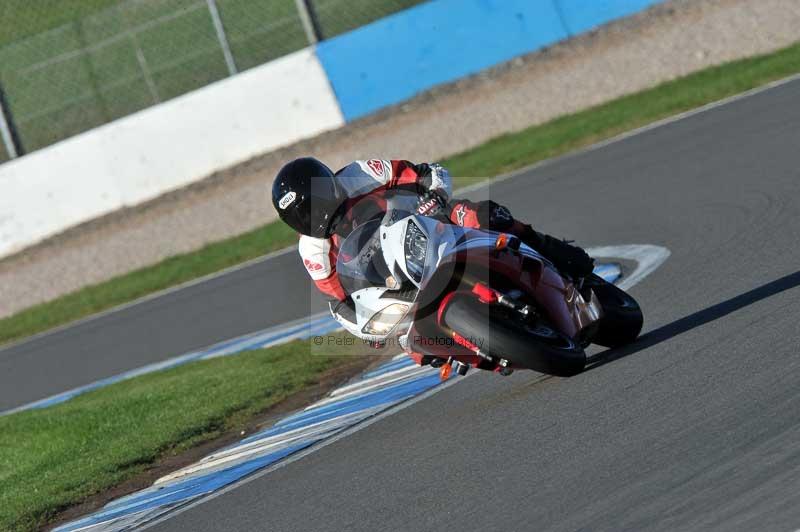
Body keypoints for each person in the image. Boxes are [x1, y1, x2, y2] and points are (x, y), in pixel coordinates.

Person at [272, 157, 593, 330]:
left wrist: (434, 195)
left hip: (430, 225)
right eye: (303, 215)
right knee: (407, 339)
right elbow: (347, 299)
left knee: (480, 214)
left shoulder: (360, 174)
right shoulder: (313, 253)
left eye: (316, 202)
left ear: (329, 185)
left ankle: (551, 251)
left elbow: (425, 173)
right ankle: (464, 344)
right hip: (396, 278)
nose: (316, 216)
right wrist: (367, 324)